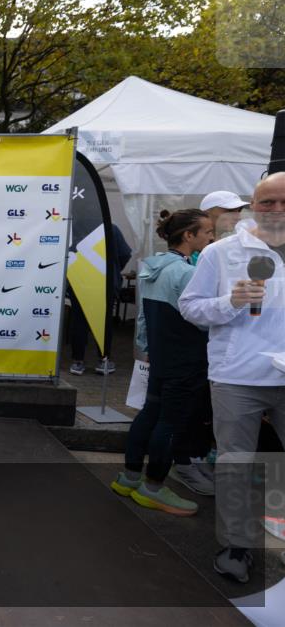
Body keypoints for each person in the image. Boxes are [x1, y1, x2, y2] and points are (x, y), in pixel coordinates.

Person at [179, 172, 285, 583]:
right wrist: (231, 301)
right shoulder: (221, 253)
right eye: (267, 201)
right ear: (253, 205)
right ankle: (237, 545)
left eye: (283, 201)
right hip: (238, 374)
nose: (276, 209)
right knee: (236, 463)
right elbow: (190, 307)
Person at [110, 209, 214, 516]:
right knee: (171, 422)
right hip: (185, 360)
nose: (212, 237)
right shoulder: (187, 273)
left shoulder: (153, 267)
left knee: (150, 413)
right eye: (207, 232)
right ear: (188, 236)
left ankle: (129, 478)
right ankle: (154, 488)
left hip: (160, 356)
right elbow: (205, 319)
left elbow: (143, 316)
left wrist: (146, 347)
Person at [68, 224, 132, 375]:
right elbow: (124, 254)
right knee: (104, 322)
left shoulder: (73, 228)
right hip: (105, 283)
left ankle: (78, 361)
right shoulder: (111, 227)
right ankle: (103, 360)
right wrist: (114, 270)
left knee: (78, 321)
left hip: (79, 282)